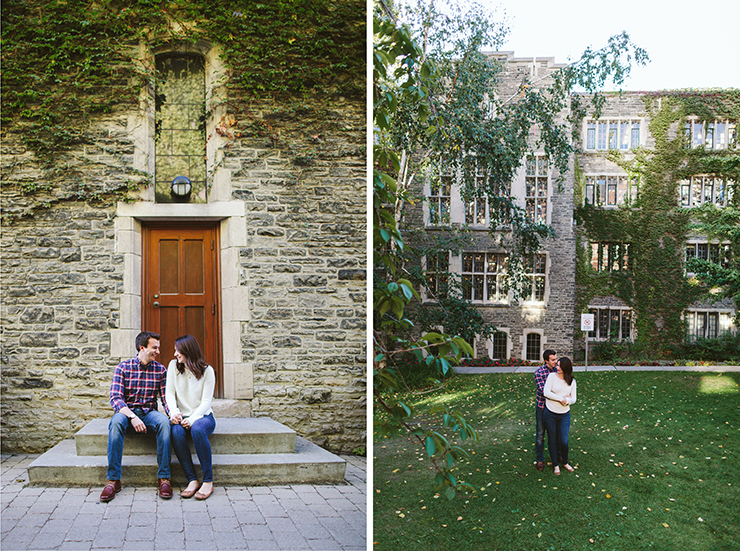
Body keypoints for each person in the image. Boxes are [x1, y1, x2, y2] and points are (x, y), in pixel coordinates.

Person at [101, 331, 172, 502]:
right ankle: (113, 480)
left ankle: (164, 478)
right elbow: (115, 398)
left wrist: (173, 415)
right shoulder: (123, 367)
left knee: (163, 422)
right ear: (142, 347)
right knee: (116, 422)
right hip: (126, 413)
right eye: (154, 348)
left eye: (158, 348)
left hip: (149, 413)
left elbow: (165, 399)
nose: (158, 351)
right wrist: (132, 416)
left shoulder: (160, 370)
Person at [166, 335, 217, 500]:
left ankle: (208, 481)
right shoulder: (174, 366)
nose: (175, 354)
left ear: (188, 351)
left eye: (178, 350)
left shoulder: (207, 371)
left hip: (203, 417)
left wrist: (193, 419)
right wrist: (174, 413)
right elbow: (169, 392)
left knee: (197, 429)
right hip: (181, 416)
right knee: (175, 432)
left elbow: (206, 402)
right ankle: (192, 480)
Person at [543, 356, 577, 475]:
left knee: (564, 441)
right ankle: (555, 464)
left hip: (564, 415)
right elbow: (546, 392)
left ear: (565, 368)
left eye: (559, 366)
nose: (556, 367)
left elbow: (574, 399)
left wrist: (567, 401)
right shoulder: (551, 377)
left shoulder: (572, 381)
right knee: (552, 439)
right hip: (550, 413)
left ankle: (565, 461)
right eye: (556, 365)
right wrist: (561, 399)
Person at [534, 349, 558, 471]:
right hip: (543, 407)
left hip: (555, 408)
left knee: (555, 434)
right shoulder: (539, 373)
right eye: (553, 360)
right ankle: (540, 459)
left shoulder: (558, 370)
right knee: (540, 434)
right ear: (546, 361)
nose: (556, 361)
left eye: (556, 359)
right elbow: (545, 392)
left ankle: (557, 457)